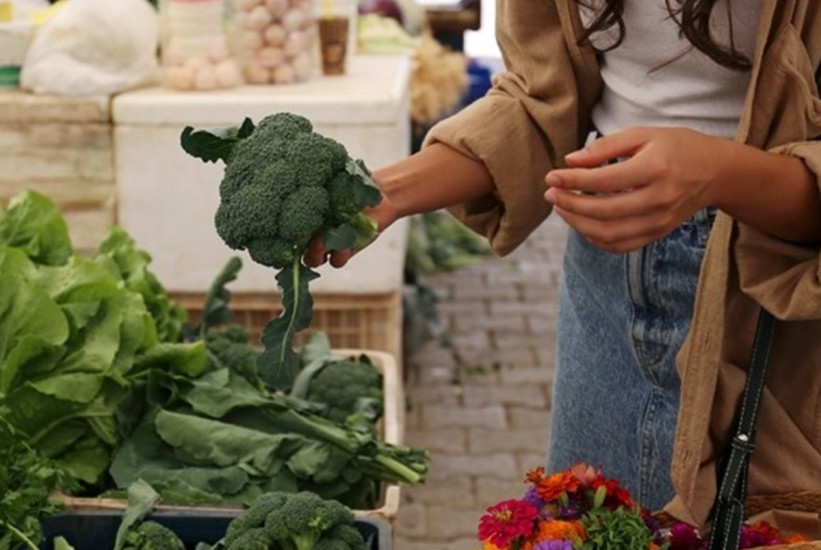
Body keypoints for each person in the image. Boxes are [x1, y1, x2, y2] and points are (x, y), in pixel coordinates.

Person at [307, 0, 821, 525]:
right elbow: (538, 100)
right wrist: (385, 192)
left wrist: (720, 173)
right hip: (605, 286)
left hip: (779, 307)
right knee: (579, 528)